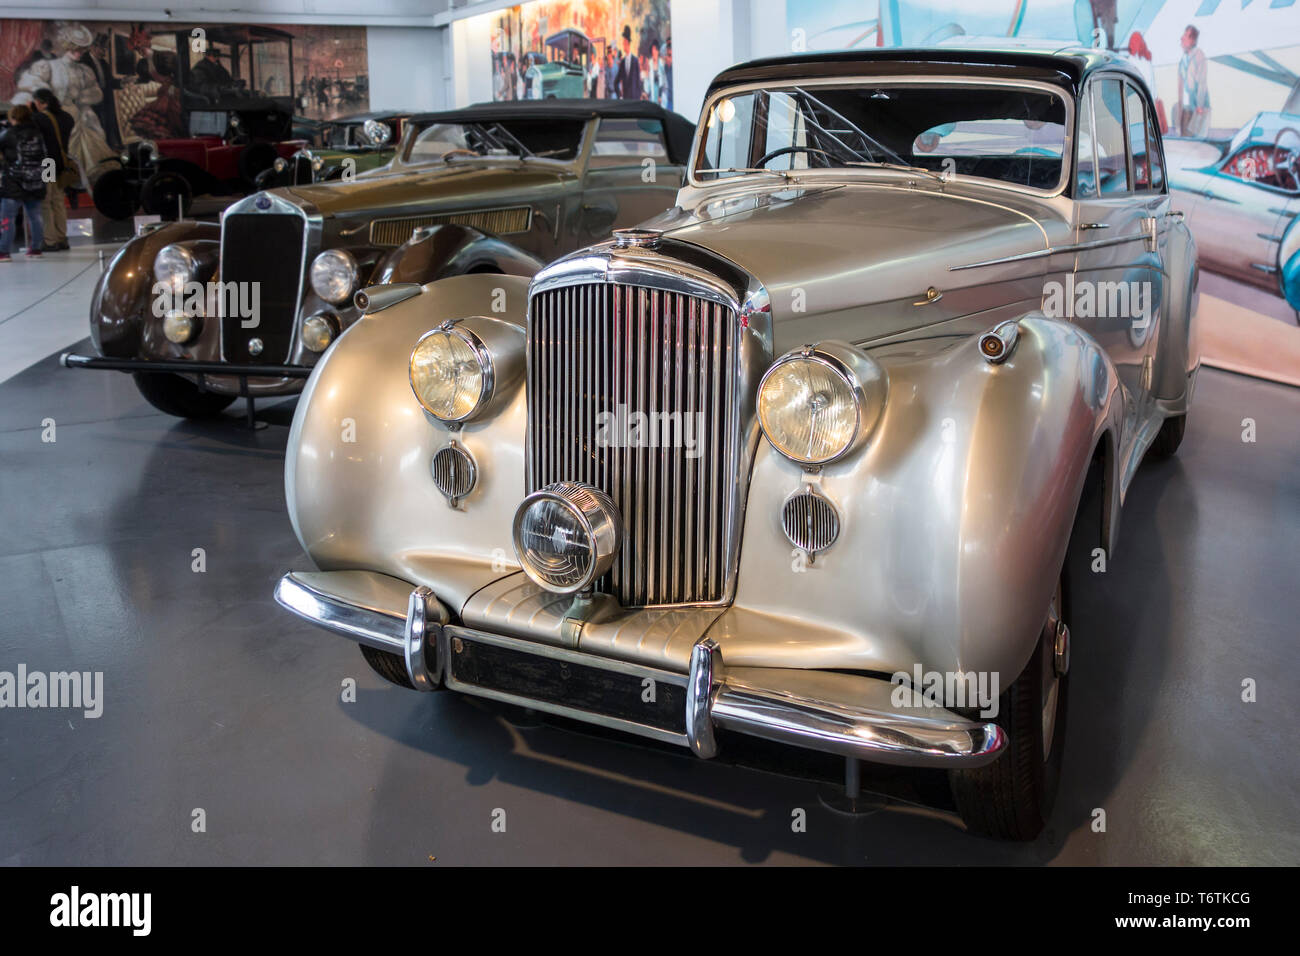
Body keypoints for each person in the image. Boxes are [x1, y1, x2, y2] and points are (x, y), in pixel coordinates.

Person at [0, 104, 50, 262]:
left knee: (8, 217)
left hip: (13, 181)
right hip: (36, 180)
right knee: (35, 216)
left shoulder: (7, 134)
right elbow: (47, 157)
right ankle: (36, 249)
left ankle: (4, 251)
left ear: (13, 118)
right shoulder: (39, 134)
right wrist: (48, 179)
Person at [30, 89, 74, 252]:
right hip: (63, 163)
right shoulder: (67, 117)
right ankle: (62, 237)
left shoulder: (39, 118)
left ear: (41, 102)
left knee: (46, 203)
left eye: (35, 103)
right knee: (59, 201)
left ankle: (49, 240)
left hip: (47, 163)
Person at [1176, 24, 1210, 138]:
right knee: (1184, 137)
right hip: (1186, 107)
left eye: (1185, 36)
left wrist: (1200, 106)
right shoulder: (1183, 59)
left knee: (1194, 141)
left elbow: (1202, 83)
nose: (1181, 38)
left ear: (1192, 40)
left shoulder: (1199, 56)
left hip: (1196, 109)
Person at [615, 25, 642, 101]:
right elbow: (616, 81)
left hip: (634, 99)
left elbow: (638, 81)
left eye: (624, 42)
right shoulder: (622, 62)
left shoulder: (635, 61)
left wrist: (638, 97)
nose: (623, 44)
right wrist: (619, 95)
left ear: (627, 42)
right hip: (625, 100)